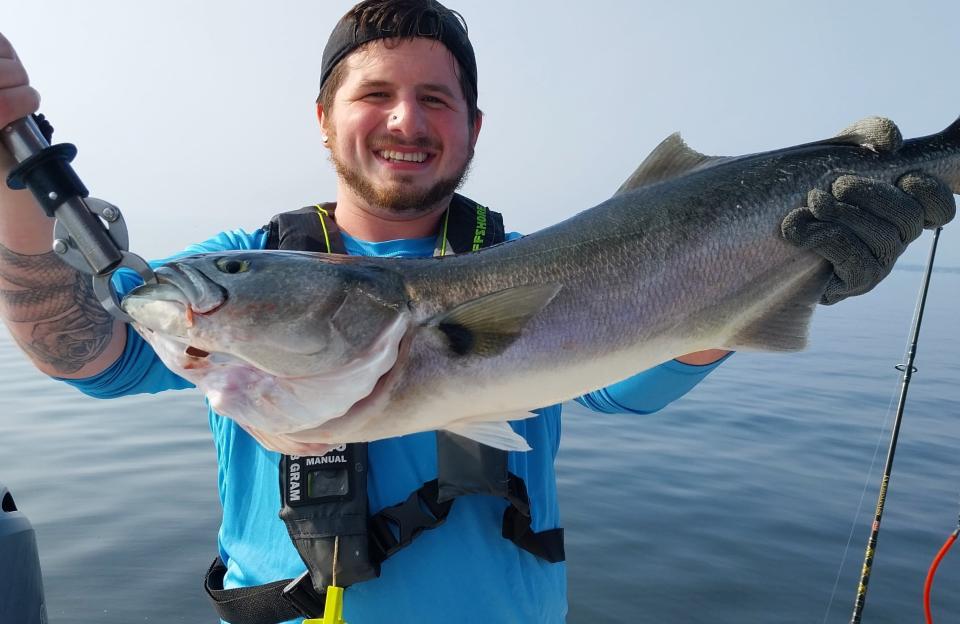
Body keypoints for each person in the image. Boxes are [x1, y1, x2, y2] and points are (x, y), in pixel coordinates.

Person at [0, 2, 953, 623]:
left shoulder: (523, 261)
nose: (406, 122)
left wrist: (786, 274)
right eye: (374, 95)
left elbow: (625, 395)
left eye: (435, 99)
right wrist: (9, 175)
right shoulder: (220, 266)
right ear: (324, 118)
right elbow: (87, 352)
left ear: (473, 127)